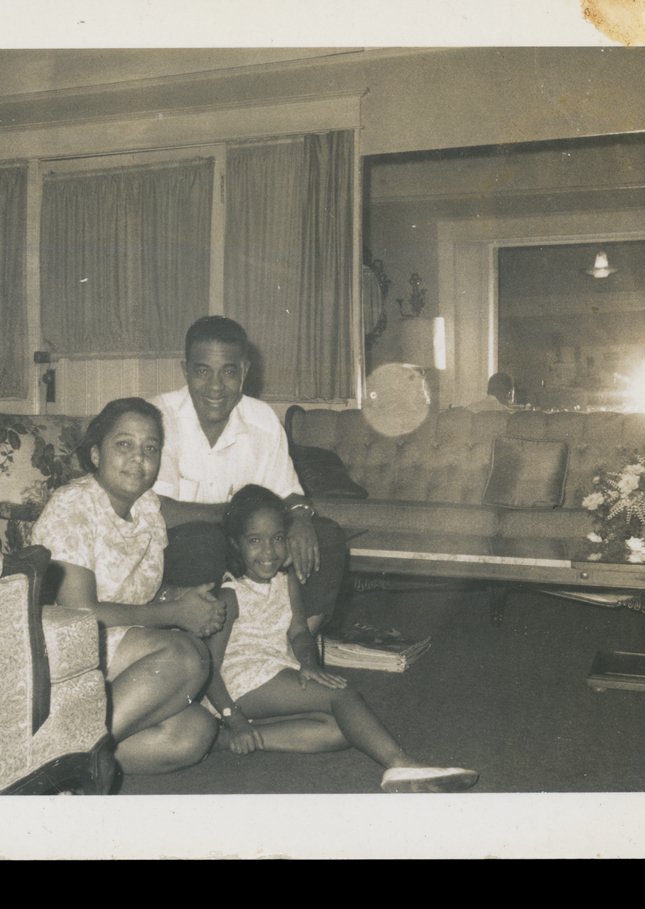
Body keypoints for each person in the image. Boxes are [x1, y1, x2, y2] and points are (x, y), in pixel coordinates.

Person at [203, 485, 480, 794]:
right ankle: (399, 764)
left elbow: (298, 632)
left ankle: (221, 740)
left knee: (341, 729)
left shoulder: (286, 580)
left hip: (274, 669)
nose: (269, 551)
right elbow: (209, 668)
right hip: (238, 684)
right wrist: (234, 716)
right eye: (255, 540)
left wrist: (308, 664)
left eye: (277, 538)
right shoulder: (231, 594)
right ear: (235, 544)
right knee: (343, 695)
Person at [30, 397, 225, 775]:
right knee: (187, 656)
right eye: (124, 445)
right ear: (96, 454)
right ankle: (66, 752)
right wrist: (174, 615)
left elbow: (138, 589)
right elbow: (80, 613)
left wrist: (182, 598)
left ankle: (60, 761)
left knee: (196, 730)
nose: (139, 458)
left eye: (150, 448)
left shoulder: (147, 508)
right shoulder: (73, 505)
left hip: (116, 651)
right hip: (62, 649)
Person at [150, 316, 348, 635]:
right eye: (202, 371)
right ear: (185, 369)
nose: (215, 387)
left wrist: (299, 516)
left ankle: (291, 651)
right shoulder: (159, 418)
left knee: (324, 537)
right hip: (181, 550)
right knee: (205, 540)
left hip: (245, 545)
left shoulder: (263, 419)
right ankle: (203, 657)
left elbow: (288, 494)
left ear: (244, 371)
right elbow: (158, 510)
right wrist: (236, 517)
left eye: (228, 372)